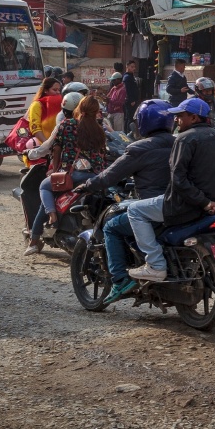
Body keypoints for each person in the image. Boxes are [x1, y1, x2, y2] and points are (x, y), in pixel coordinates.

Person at [125, 97, 215, 283]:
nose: (176, 121)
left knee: (134, 210)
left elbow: (178, 179)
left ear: (193, 118)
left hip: (189, 207)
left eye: (180, 116)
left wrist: (206, 203)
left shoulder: (185, 139)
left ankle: (155, 265)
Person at [77, 100, 177, 302]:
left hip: (154, 208)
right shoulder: (180, 142)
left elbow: (109, 176)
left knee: (112, 226)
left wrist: (87, 185)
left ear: (142, 122)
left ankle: (120, 280)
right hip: (183, 205)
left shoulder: (139, 148)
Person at [25, 94, 110, 255]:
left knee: (44, 187)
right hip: (96, 177)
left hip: (73, 176)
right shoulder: (99, 129)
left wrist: (56, 170)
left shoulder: (67, 124)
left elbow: (55, 148)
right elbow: (103, 153)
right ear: (96, 112)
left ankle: (43, 229)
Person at [18, 76, 63, 233]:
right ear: (45, 90)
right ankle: (34, 229)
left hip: (59, 150)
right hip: (42, 151)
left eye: (59, 90)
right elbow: (35, 128)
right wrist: (48, 145)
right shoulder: (37, 105)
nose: (57, 93)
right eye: (54, 90)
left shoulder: (62, 104)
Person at [122, 59, 141, 135]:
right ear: (127, 67)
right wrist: (132, 100)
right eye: (132, 67)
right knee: (130, 118)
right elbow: (127, 90)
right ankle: (128, 134)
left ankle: (128, 133)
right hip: (130, 102)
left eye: (134, 67)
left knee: (129, 118)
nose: (134, 68)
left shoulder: (131, 76)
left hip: (133, 101)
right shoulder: (127, 77)